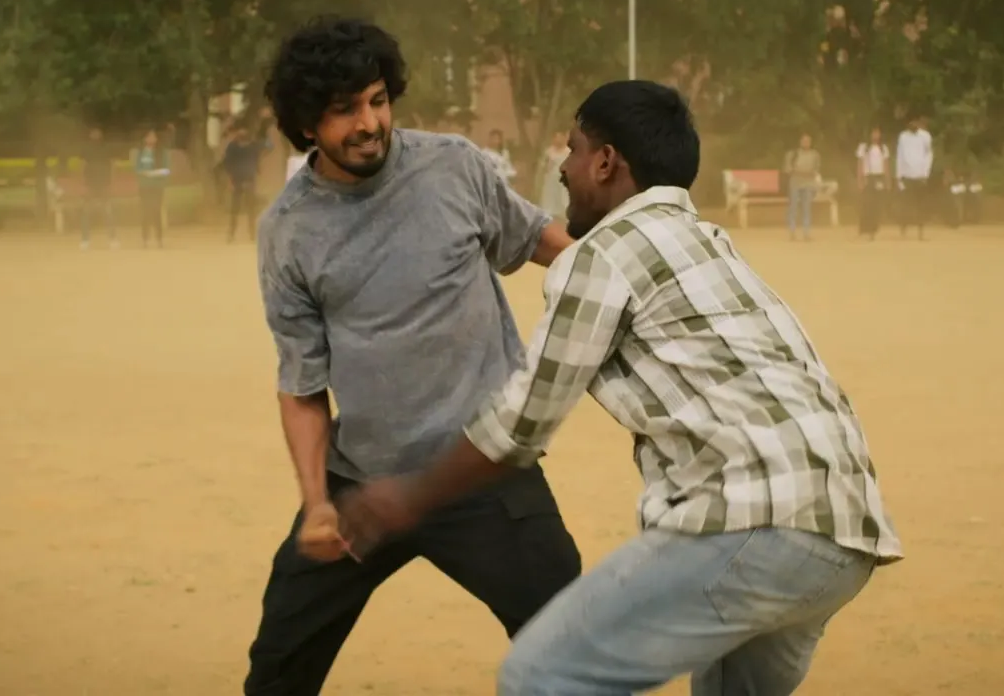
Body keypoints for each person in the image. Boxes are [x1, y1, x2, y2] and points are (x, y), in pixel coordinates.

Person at [337, 80, 903, 696]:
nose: (563, 166)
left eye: (574, 149)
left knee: (542, 675)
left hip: (753, 518)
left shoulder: (602, 254)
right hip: (846, 530)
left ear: (606, 162)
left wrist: (406, 497)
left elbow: (520, 425)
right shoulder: (710, 243)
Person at [244, 16, 582, 696]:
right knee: (278, 671)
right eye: (344, 110)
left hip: (485, 468)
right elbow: (302, 386)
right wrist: (317, 504)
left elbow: (541, 241)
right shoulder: (289, 231)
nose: (369, 122)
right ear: (307, 124)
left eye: (377, 100)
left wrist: (629, 275)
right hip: (364, 488)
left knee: (577, 652)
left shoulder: (454, 166)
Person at [222, 122, 268, 242]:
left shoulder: (253, 146)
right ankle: (231, 233)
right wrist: (230, 181)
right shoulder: (232, 147)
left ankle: (252, 233)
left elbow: (261, 154)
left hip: (249, 178)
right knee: (235, 208)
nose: (241, 132)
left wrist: (256, 169)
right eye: (240, 130)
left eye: (244, 130)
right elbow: (228, 164)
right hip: (237, 179)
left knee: (250, 207)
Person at [76, 127, 118, 250]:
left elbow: (112, 164)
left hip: (104, 184)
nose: (95, 135)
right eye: (93, 133)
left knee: (108, 212)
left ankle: (112, 239)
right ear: (90, 135)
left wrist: (112, 181)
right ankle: (85, 240)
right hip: (90, 184)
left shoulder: (107, 148)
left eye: (97, 132)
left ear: (101, 134)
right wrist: (82, 182)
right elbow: (82, 165)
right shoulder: (86, 148)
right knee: (86, 212)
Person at [894, 116, 935, 240]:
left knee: (920, 205)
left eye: (915, 122)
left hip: (920, 175)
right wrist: (898, 176)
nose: (914, 124)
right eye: (911, 122)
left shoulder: (925, 136)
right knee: (905, 204)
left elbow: (929, 155)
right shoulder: (903, 137)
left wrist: (925, 173)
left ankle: (920, 232)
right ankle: (903, 229)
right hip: (906, 175)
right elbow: (899, 156)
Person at [131, 129, 170, 248]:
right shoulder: (141, 152)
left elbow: (167, 170)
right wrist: (143, 173)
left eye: (154, 137)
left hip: (157, 186)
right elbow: (137, 169)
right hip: (144, 186)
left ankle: (159, 238)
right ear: (145, 139)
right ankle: (145, 238)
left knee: (156, 211)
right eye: (149, 137)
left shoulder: (162, 152)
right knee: (145, 212)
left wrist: (154, 173)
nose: (151, 139)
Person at [855, 127, 889, 239]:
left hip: (879, 177)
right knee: (866, 204)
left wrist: (887, 180)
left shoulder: (883, 148)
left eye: (877, 133)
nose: (875, 135)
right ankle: (864, 228)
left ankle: (874, 228)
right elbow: (860, 164)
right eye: (874, 133)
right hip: (867, 177)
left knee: (877, 204)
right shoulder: (863, 147)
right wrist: (860, 180)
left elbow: (886, 165)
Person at [536, 130, 569, 219]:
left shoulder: (568, 151)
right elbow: (543, 165)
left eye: (560, 137)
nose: (558, 140)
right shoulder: (549, 151)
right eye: (556, 137)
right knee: (549, 200)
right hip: (551, 179)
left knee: (564, 199)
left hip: (564, 179)